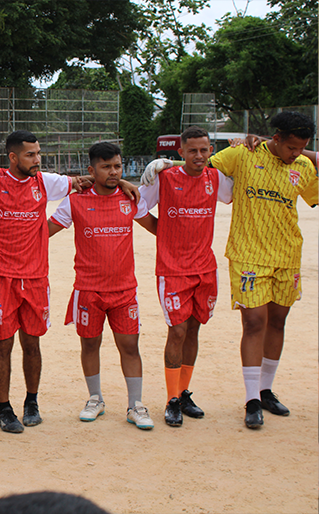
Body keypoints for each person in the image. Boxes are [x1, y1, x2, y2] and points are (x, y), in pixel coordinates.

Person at [142, 111, 317, 429]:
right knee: (238, 324)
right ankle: (223, 399)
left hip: (275, 257)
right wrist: (165, 170)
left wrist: (304, 153)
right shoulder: (239, 155)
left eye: (301, 148)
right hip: (230, 258)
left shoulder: (298, 166)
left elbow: (225, 185)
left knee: (269, 323)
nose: (295, 153)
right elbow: (190, 172)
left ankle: (253, 391)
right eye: (291, 147)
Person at [0, 131, 100, 433]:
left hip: (36, 276)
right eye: (30, 155)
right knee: (3, 344)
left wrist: (125, 184)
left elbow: (88, 182)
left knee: (32, 342)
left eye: (38, 154)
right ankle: (4, 408)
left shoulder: (45, 182)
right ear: (13, 157)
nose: (37, 160)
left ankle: (32, 402)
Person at [49, 142, 154, 430]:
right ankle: (95, 399)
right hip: (88, 290)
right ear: (91, 170)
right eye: (106, 167)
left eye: (117, 166)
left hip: (124, 291)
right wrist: (5, 237)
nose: (113, 172)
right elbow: (44, 231)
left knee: (130, 346)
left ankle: (136, 405)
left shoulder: (131, 198)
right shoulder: (75, 201)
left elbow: (158, 228)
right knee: (90, 344)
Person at [134, 126, 233, 427]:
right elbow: (137, 206)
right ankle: (172, 399)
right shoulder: (165, 178)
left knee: (193, 330)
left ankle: (184, 392)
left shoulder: (216, 179)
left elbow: (236, 190)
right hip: (173, 269)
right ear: (181, 152)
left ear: (211, 151)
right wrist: (162, 231)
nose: (199, 155)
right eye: (192, 151)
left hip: (205, 268)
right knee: (176, 331)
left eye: (204, 150)